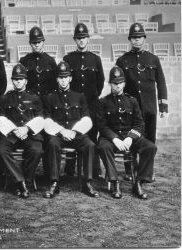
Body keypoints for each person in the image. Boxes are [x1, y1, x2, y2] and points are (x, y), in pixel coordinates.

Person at [116, 23, 167, 181]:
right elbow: (119, 86)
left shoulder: (153, 59)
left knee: (149, 141)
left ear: (144, 38)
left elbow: (161, 82)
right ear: (129, 39)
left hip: (150, 108)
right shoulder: (122, 60)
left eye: (139, 37)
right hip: (131, 110)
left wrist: (163, 105)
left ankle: (146, 174)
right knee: (130, 140)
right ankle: (129, 172)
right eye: (134, 38)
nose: (137, 40)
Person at [97, 66, 157, 199]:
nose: (117, 86)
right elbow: (101, 125)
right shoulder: (103, 102)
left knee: (150, 147)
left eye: (120, 83)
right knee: (102, 146)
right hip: (111, 138)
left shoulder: (132, 101)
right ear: (110, 84)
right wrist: (114, 139)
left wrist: (130, 138)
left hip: (129, 137)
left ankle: (139, 182)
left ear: (124, 83)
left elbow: (140, 123)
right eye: (114, 83)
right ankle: (115, 182)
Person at [42, 61, 99, 199]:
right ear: (57, 79)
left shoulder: (79, 96)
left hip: (76, 133)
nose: (63, 80)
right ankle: (55, 182)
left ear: (70, 78)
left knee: (90, 145)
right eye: (60, 77)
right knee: (52, 144)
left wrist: (74, 131)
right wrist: (62, 131)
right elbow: (46, 120)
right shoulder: (50, 97)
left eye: (65, 77)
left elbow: (86, 118)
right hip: (58, 134)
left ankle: (88, 182)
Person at [63, 23, 105, 178]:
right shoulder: (68, 58)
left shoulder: (95, 59)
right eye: (78, 38)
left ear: (88, 39)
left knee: (92, 136)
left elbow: (100, 82)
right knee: (71, 134)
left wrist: (92, 97)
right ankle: (69, 170)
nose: (81, 41)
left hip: (91, 105)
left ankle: (95, 170)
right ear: (75, 39)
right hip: (73, 106)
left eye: (84, 38)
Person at [0, 64, 44, 198]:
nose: (18, 81)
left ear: (26, 81)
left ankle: (25, 181)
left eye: (21, 79)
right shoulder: (5, 98)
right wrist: (13, 129)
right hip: (11, 134)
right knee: (1, 150)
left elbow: (41, 117)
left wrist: (27, 128)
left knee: (37, 150)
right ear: (12, 81)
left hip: (29, 134)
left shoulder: (35, 98)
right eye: (16, 79)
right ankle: (20, 182)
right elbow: (0, 117)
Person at [20, 26, 57, 98]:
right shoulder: (24, 61)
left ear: (43, 42)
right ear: (30, 43)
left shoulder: (50, 61)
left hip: (47, 99)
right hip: (30, 99)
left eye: (39, 42)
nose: (37, 45)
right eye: (34, 42)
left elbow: (55, 83)